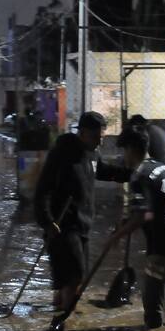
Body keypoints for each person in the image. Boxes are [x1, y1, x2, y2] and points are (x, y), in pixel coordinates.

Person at [34, 111, 130, 314]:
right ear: (83, 133)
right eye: (96, 137)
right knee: (75, 276)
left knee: (66, 278)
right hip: (62, 226)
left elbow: (104, 171)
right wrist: (47, 222)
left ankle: (58, 312)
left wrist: (132, 174)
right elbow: (42, 190)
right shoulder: (62, 154)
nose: (99, 142)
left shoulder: (92, 154)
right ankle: (68, 320)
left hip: (83, 225)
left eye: (101, 137)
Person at [107, 127, 165, 328]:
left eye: (123, 151)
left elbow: (143, 215)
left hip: (162, 247)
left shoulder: (140, 175)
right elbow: (150, 205)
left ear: (131, 149)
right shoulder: (160, 167)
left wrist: (116, 236)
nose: (123, 157)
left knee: (152, 297)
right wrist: (125, 222)